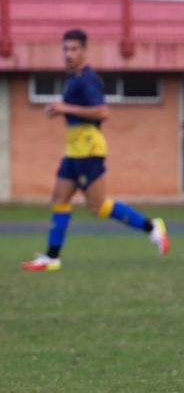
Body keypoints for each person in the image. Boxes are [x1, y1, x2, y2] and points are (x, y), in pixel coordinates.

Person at [21, 29, 169, 272]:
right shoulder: (73, 79)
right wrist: (61, 109)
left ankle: (151, 227)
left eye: (74, 49)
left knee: (98, 207)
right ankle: (52, 257)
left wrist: (65, 108)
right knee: (59, 198)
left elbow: (102, 112)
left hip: (89, 150)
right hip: (74, 150)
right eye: (65, 49)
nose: (68, 54)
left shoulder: (88, 79)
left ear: (84, 50)